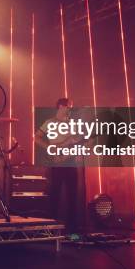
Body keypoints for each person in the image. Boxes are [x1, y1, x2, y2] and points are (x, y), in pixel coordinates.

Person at [34, 97, 80, 233]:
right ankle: (52, 227)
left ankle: (72, 229)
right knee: (55, 193)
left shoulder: (72, 123)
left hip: (70, 162)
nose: (70, 109)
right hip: (57, 162)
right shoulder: (50, 122)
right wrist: (49, 147)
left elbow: (76, 140)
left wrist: (77, 152)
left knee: (73, 195)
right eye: (69, 106)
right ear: (61, 107)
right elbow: (36, 137)